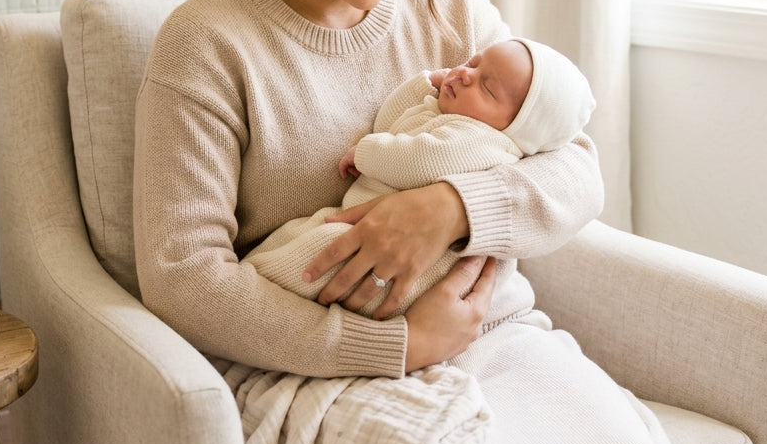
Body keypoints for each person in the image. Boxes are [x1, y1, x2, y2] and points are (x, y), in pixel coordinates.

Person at [132, 0, 674, 444]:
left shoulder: (452, 13)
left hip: (486, 332)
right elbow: (184, 277)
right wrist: (396, 343)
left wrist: (447, 208)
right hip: (319, 361)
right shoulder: (206, 42)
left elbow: (576, 171)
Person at [242, 37, 597, 320]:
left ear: (516, 126)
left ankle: (257, 290)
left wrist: (366, 152)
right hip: (372, 230)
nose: (465, 73)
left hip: (418, 268)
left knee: (313, 254)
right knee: (303, 238)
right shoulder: (452, 112)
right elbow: (392, 122)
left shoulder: (483, 140)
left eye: (487, 88)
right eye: (473, 62)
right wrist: (425, 85)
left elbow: (420, 158)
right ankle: (247, 289)